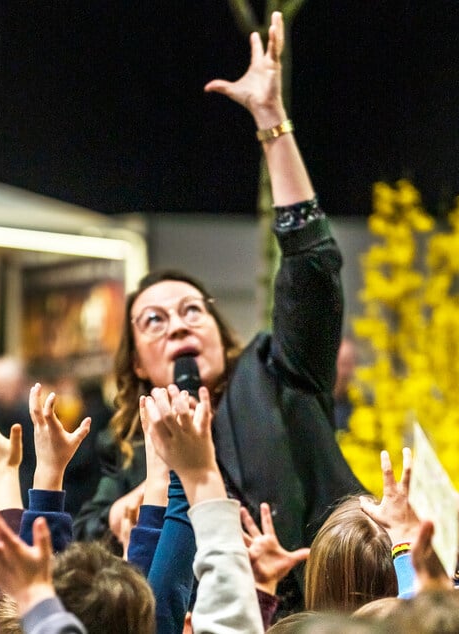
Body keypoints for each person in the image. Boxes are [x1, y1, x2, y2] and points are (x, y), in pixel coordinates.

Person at [74, 12, 365, 602]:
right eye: (153, 320)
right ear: (136, 364)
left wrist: (271, 123)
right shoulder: (128, 448)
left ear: (217, 328)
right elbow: (82, 547)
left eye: (191, 310)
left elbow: (312, 268)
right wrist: (121, 514)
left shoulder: (277, 374)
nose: (177, 322)